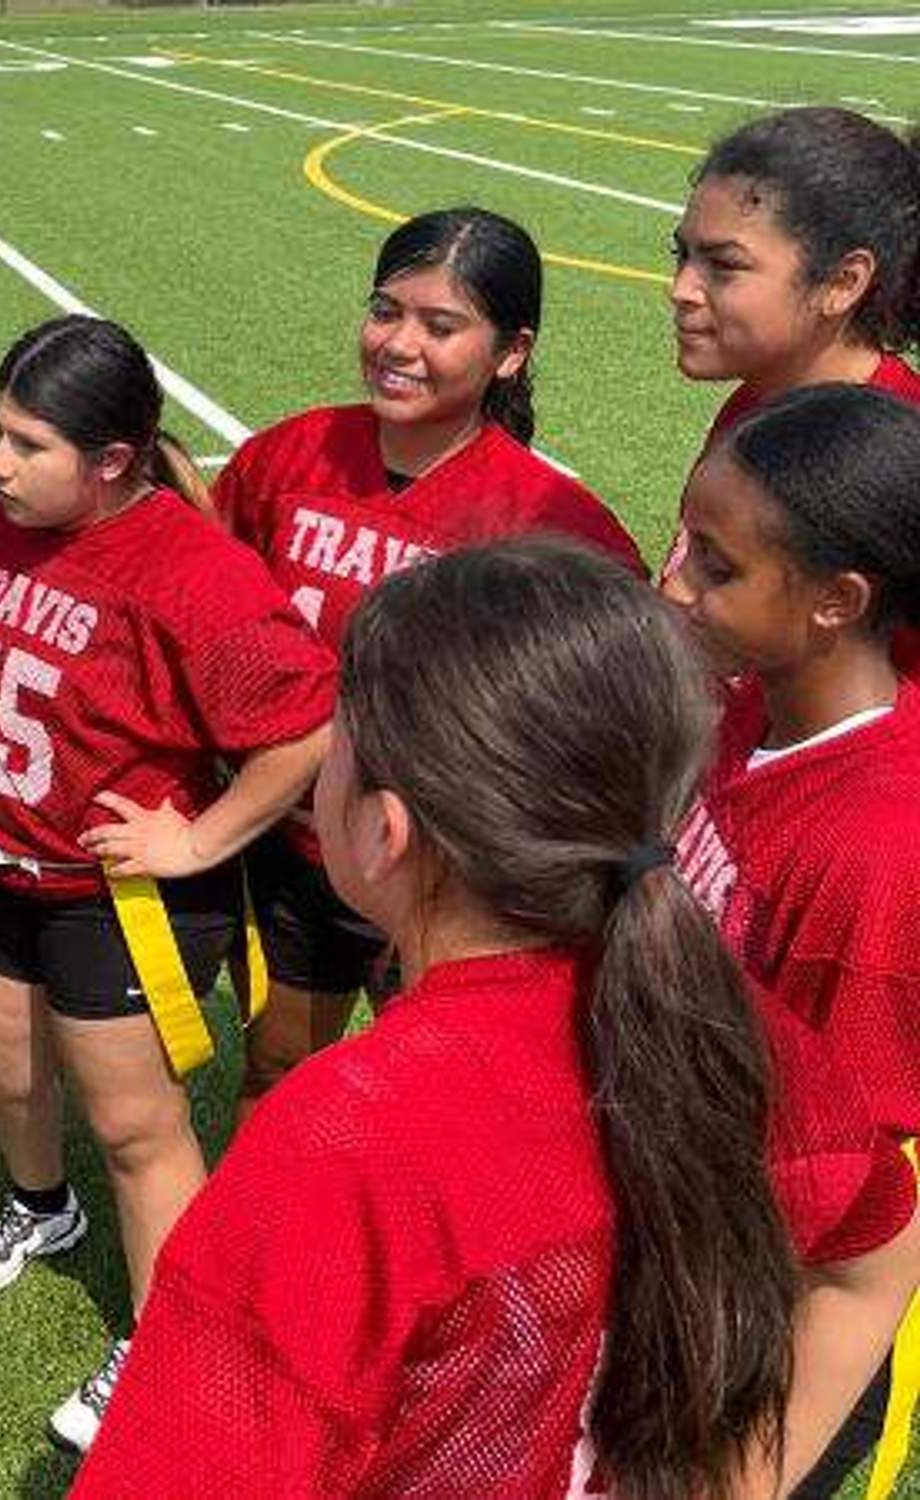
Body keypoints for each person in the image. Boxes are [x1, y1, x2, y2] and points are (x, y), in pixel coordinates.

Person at [75, 538, 920, 1499]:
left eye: (336, 742)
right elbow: (875, 1256)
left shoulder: (344, 1146)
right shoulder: (730, 1029)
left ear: (384, 831)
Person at [0, 314, 334, 1452]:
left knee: (133, 1129)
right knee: (2, 1070)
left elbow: (303, 724)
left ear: (111, 461)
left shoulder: (192, 571)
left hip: (117, 897)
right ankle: (38, 1210)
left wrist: (202, 840)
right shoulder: (1, 523)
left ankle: (165, 1337)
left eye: (25, 444)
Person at [210, 207, 641, 1104]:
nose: (399, 344)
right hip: (300, 845)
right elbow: (207, 606)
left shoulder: (550, 524)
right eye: (385, 311)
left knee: (451, 1095)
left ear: (510, 351)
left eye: (441, 326)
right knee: (279, 1069)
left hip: (458, 870)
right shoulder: (288, 456)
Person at [667, 383, 920, 1498]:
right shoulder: (742, 706)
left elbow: (853, 1229)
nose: (672, 580)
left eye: (715, 567)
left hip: (761, 1322)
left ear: (835, 599)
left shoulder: (876, 856)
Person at [666, 107, 920, 679]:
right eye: (682, 254)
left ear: (842, 282)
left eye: (724, 265)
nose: (680, 289)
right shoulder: (762, 401)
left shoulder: (900, 456)